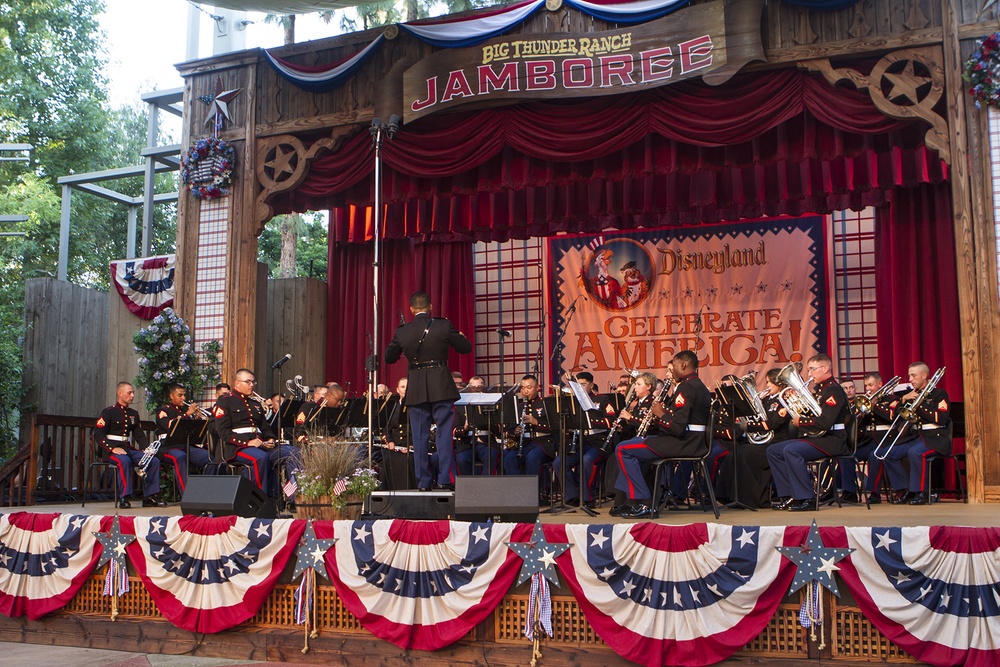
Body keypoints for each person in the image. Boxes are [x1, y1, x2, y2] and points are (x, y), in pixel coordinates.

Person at [384, 291, 472, 491]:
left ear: (412, 309)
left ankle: (423, 483)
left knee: (420, 436)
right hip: (441, 385)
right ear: (431, 307)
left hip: (416, 387)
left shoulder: (403, 331)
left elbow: (389, 357)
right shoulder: (443, 325)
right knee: (443, 435)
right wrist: (460, 337)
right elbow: (465, 348)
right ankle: (444, 479)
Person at [612, 351, 711, 519]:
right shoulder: (699, 386)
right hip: (693, 442)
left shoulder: (686, 388)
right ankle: (639, 499)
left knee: (623, 449)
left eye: (674, 368)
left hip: (685, 443)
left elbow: (678, 428)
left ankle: (644, 502)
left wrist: (660, 414)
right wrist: (665, 413)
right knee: (639, 442)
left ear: (683, 365)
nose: (672, 373)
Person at [766, 354, 851, 511]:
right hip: (820, 438)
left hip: (833, 440)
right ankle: (789, 495)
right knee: (773, 450)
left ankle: (806, 497)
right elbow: (814, 415)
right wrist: (797, 403)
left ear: (825, 369)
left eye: (812, 369)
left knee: (791, 451)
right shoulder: (820, 390)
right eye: (809, 370)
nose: (809, 374)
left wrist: (802, 421)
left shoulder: (833, 391)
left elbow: (825, 422)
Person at [865, 362, 950, 505]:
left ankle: (922, 492)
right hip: (917, 436)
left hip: (935, 437)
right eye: (909, 375)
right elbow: (898, 416)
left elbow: (941, 418)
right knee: (888, 454)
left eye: (913, 375)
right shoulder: (910, 394)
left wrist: (919, 402)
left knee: (915, 453)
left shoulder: (939, 394)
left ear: (924, 376)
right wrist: (903, 400)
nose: (910, 379)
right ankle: (904, 490)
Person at [215, 368, 301, 500]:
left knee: (294, 453)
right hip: (237, 447)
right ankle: (260, 500)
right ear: (237, 383)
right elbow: (223, 431)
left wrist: (271, 438)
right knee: (260, 458)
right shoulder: (225, 401)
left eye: (253, 382)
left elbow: (265, 427)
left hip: (261, 444)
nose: (251, 385)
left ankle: (295, 498)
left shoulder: (255, 404)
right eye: (248, 382)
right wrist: (247, 442)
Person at [95, 381, 167, 509]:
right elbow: (98, 434)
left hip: (127, 448)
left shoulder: (134, 413)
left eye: (133, 392)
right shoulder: (108, 412)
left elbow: (139, 435)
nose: (132, 395)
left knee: (153, 461)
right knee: (125, 461)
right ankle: (124, 497)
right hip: (112, 450)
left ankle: (151, 496)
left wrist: (147, 449)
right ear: (119, 393)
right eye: (129, 393)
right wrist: (112, 448)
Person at [552, 371, 611, 508]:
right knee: (559, 462)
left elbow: (611, 421)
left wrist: (593, 422)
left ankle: (588, 498)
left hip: (597, 442)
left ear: (591, 385)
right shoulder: (571, 402)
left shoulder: (602, 400)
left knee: (587, 461)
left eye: (583, 384)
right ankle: (572, 495)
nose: (580, 387)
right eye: (577, 384)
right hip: (579, 442)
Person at [155, 384, 215, 494]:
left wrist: (197, 420)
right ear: (171, 396)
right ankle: (187, 495)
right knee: (180, 457)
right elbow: (170, 425)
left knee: (209, 459)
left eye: (184, 395)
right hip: (168, 447)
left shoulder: (184, 411)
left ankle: (206, 492)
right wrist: (187, 414)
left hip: (185, 446)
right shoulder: (163, 411)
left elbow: (194, 433)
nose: (183, 398)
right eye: (180, 395)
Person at [502, 375, 555, 490]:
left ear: (537, 388)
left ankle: (533, 493)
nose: (525, 391)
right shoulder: (518, 406)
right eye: (523, 388)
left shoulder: (546, 404)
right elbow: (509, 428)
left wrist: (536, 422)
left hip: (543, 443)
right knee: (509, 458)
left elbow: (556, 427)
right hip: (525, 443)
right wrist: (515, 431)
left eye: (529, 387)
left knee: (532, 457)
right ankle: (517, 492)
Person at [454, 376, 499, 476]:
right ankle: (468, 487)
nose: (476, 390)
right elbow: (455, 429)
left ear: (484, 387)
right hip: (467, 443)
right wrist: (464, 428)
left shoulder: (491, 404)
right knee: (461, 459)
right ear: (468, 388)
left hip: (486, 442)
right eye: (473, 387)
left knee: (491, 455)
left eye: (479, 387)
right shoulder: (460, 405)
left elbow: (499, 428)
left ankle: (486, 486)